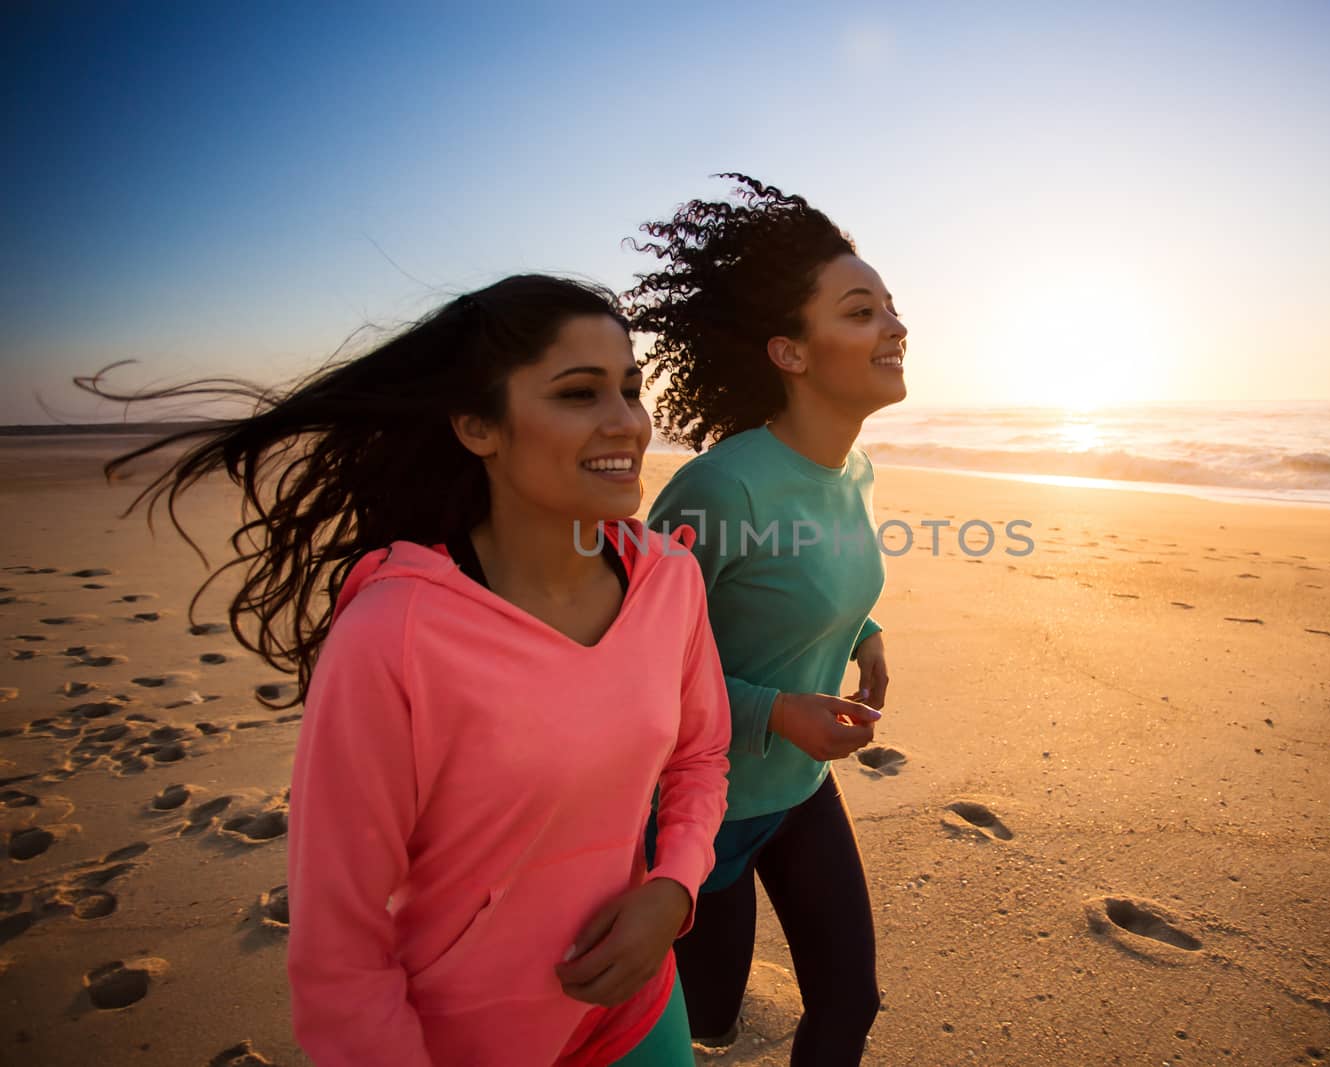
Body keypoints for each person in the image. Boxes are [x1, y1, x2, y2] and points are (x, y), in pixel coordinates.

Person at [84, 275, 731, 1066]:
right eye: (579, 393)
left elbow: (699, 757)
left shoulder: (671, 579)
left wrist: (673, 889)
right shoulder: (392, 635)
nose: (627, 422)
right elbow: (340, 953)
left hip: (641, 1013)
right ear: (476, 424)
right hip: (464, 1043)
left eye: (631, 388)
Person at [625, 174, 906, 1065]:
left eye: (892, 308)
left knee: (850, 1003)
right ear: (790, 352)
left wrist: (862, 631)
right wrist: (777, 709)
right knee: (701, 1018)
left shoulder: (854, 470)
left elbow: (808, 574)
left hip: (799, 791)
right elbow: (631, 660)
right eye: (861, 312)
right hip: (696, 814)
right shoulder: (719, 486)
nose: (896, 327)